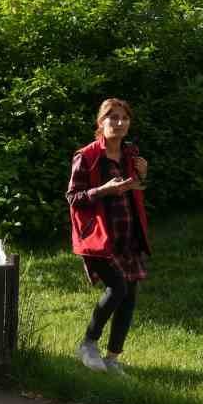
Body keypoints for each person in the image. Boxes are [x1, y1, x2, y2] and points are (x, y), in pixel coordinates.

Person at [67, 98, 151, 376]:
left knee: (129, 297)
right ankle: (88, 344)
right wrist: (102, 190)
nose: (119, 122)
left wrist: (142, 175)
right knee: (117, 288)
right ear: (100, 123)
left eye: (124, 118)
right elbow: (73, 198)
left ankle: (113, 358)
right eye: (112, 117)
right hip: (99, 239)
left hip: (128, 236)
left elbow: (135, 190)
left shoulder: (130, 155)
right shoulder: (87, 156)